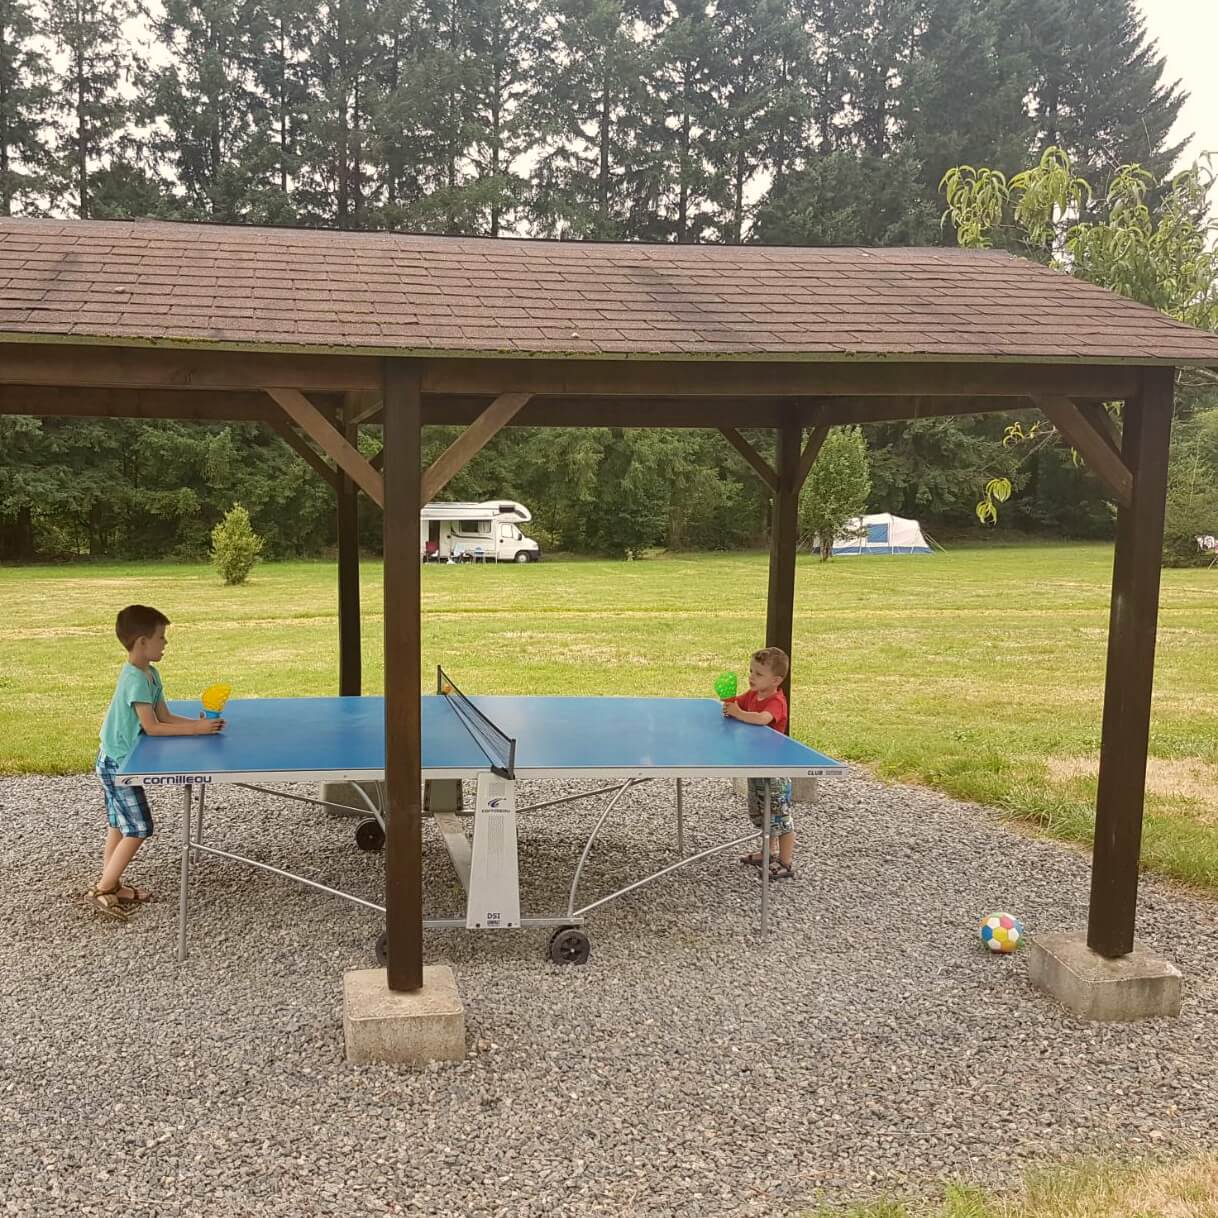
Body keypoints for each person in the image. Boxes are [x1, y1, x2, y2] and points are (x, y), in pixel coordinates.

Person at [87, 605, 225, 919]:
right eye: (161, 637)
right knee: (138, 828)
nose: (165, 643)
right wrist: (195, 730)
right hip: (117, 765)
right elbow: (151, 728)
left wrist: (197, 725)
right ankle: (103, 889)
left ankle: (112, 883)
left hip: (115, 759)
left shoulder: (150, 673)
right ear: (141, 642)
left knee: (118, 826)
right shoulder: (135, 679)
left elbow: (164, 716)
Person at [722, 646, 795, 880]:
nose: (752, 677)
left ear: (776, 680)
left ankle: (785, 862)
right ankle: (768, 852)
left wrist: (738, 713)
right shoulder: (753, 695)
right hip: (756, 765)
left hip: (775, 770)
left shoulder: (776, 701)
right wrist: (730, 705)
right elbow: (738, 704)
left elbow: (763, 719)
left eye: (758, 674)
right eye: (751, 671)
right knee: (763, 813)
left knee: (780, 818)